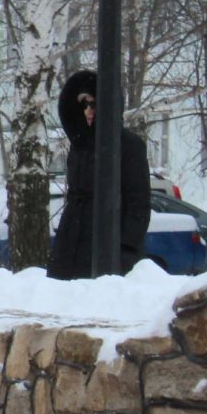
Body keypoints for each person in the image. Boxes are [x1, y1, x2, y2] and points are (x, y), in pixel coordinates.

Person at [47, 68, 151, 279]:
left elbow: (138, 202)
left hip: (108, 244)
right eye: (84, 104)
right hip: (71, 245)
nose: (88, 111)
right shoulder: (79, 146)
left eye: (93, 104)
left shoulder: (128, 144)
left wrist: (126, 249)